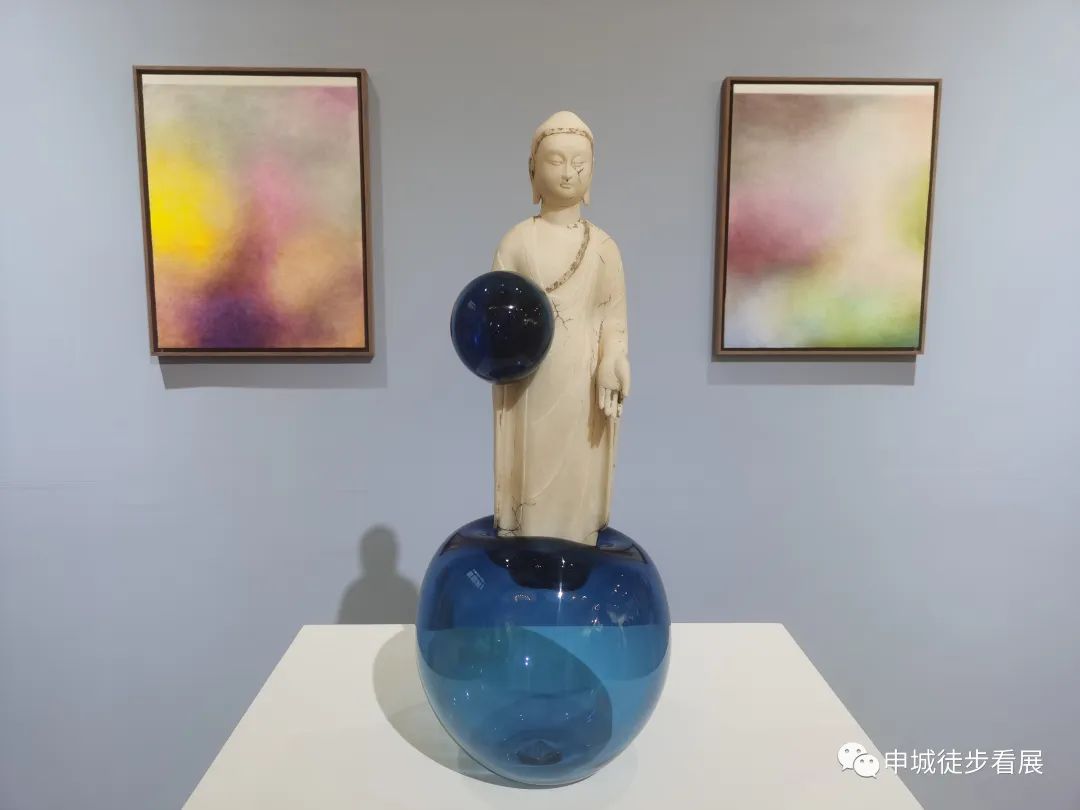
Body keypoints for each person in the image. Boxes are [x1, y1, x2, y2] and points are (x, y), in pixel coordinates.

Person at [491, 111, 631, 545]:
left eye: (578, 162)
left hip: (581, 376)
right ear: (533, 169)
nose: (568, 172)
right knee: (531, 457)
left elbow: (613, 316)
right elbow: (495, 310)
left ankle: (576, 538)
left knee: (579, 459)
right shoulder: (517, 241)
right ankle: (528, 535)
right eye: (555, 161)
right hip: (530, 375)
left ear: (592, 171)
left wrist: (612, 358)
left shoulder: (604, 246)